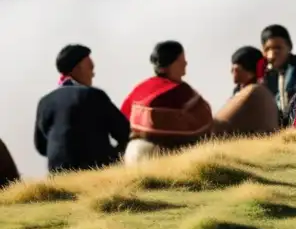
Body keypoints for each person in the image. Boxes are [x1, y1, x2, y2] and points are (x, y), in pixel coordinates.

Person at [33, 45, 130, 173]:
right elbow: (125, 132)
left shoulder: (44, 102)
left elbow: (41, 147)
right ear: (77, 69)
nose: (93, 74)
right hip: (96, 172)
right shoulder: (94, 95)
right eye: (91, 68)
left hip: (57, 174)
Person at [121, 41, 213, 163]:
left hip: (132, 154)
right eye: (182, 59)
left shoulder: (140, 88)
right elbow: (204, 119)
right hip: (162, 158)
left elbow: (122, 119)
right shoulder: (181, 90)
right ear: (172, 63)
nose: (185, 63)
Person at [212, 46, 280, 137]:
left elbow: (223, 126)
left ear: (248, 70)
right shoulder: (247, 91)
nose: (231, 71)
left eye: (235, 68)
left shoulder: (253, 92)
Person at [260, 24, 296, 125]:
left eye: (278, 48)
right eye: (268, 49)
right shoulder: (265, 76)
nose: (272, 53)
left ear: (289, 47)